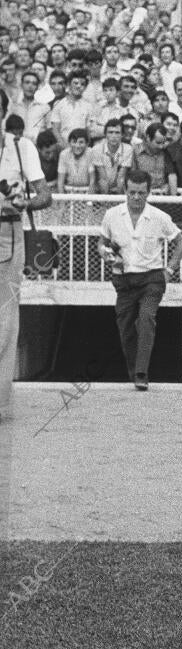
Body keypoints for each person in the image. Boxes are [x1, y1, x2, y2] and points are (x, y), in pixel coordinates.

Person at [98, 169, 182, 391]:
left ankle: (141, 372)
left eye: (141, 193)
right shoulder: (112, 215)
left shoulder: (159, 216)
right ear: (125, 191)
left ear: (148, 192)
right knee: (126, 328)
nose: (136, 197)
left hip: (152, 279)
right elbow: (101, 244)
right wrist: (107, 254)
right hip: (123, 281)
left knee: (147, 318)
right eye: (132, 192)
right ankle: (134, 372)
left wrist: (169, 270)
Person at [0, 89, 52, 421]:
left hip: (8, 234)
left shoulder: (21, 147)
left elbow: (44, 195)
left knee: (5, 319)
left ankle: (1, 401)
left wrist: (23, 202)